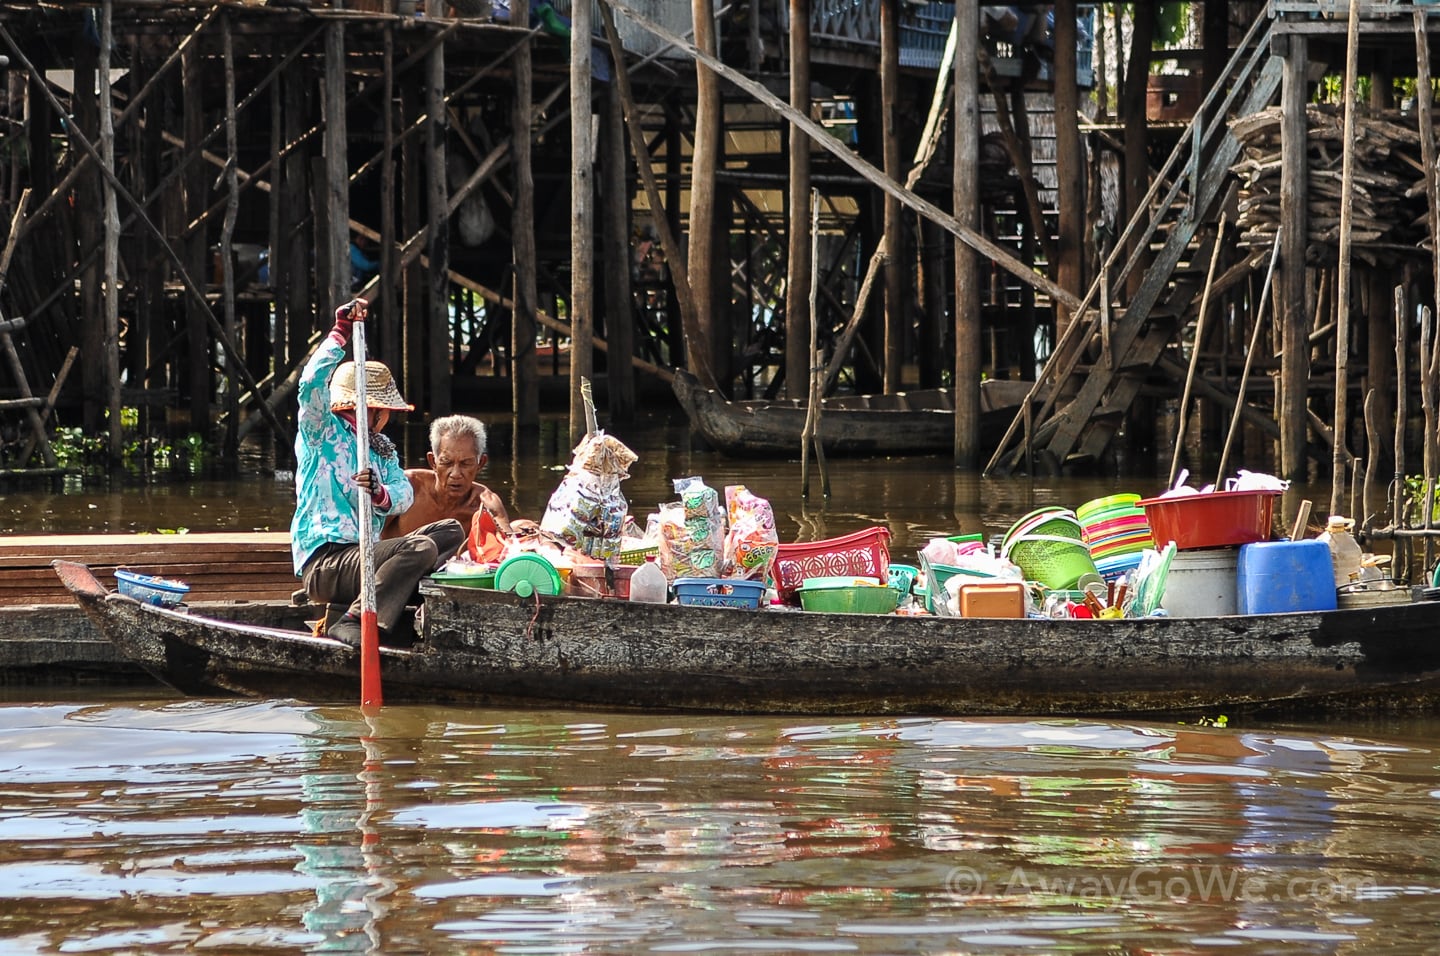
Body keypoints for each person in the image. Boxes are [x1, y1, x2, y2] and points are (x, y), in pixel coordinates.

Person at [290, 298, 465, 647]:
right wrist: (339, 333)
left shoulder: (380, 449)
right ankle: (355, 616)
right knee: (419, 550)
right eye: (382, 409)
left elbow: (403, 494)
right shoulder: (321, 432)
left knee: (450, 531)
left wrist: (380, 493)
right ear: (369, 408)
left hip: (363, 557)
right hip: (327, 563)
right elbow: (309, 386)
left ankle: (397, 595)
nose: (385, 417)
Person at [382, 414, 525, 540]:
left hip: (451, 569)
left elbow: (507, 547)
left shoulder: (486, 504)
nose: (456, 474)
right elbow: (369, 536)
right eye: (447, 462)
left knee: (523, 526)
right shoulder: (406, 487)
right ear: (433, 462)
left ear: (480, 464)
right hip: (392, 565)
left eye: (466, 463)